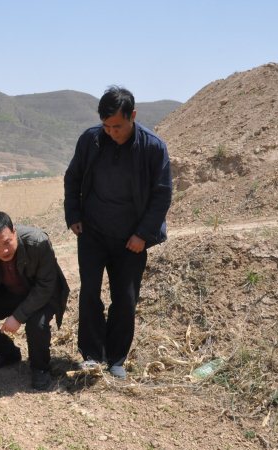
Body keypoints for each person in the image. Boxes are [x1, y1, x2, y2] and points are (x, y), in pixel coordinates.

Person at [63, 86, 172, 380]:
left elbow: (162, 195)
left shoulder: (152, 147)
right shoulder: (91, 140)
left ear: (132, 116)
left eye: (118, 126)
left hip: (131, 241)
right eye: (106, 126)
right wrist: (73, 214)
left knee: (125, 299)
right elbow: (73, 177)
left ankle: (115, 358)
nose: (112, 132)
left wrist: (143, 235)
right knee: (89, 294)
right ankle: (91, 355)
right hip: (93, 233)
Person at [0, 211, 69, 391]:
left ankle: (40, 368)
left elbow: (46, 284)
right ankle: (8, 354)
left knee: (37, 325)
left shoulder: (38, 243)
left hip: (44, 294)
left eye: (7, 242)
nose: (3, 250)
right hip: (11, 293)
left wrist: (18, 316)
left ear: (14, 232)